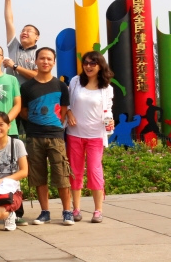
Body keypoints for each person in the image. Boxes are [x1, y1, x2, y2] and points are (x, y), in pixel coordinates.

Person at [19, 48, 74, 226]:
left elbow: (63, 110)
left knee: (62, 173)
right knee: (38, 175)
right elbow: (23, 111)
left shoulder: (60, 86)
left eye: (49, 59)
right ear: (36, 61)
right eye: (42, 58)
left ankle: (67, 211)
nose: (45, 61)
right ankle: (45, 212)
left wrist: (52, 122)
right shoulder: (26, 87)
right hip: (34, 136)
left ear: (54, 62)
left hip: (56, 136)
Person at [66, 51, 114, 224]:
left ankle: (98, 210)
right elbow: (67, 103)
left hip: (95, 135)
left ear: (100, 66)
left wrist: (110, 121)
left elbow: (108, 110)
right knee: (75, 171)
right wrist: (69, 113)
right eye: (86, 63)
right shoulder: (75, 81)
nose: (88, 66)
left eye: (93, 63)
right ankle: (76, 208)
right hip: (75, 133)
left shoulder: (106, 88)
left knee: (94, 170)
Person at [2, 0, 39, 84]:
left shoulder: (39, 54)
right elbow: (9, 21)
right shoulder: (14, 46)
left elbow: (37, 76)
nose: (24, 33)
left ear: (37, 37)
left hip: (29, 92)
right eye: (23, 31)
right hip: (11, 91)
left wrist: (14, 66)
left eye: (29, 31)